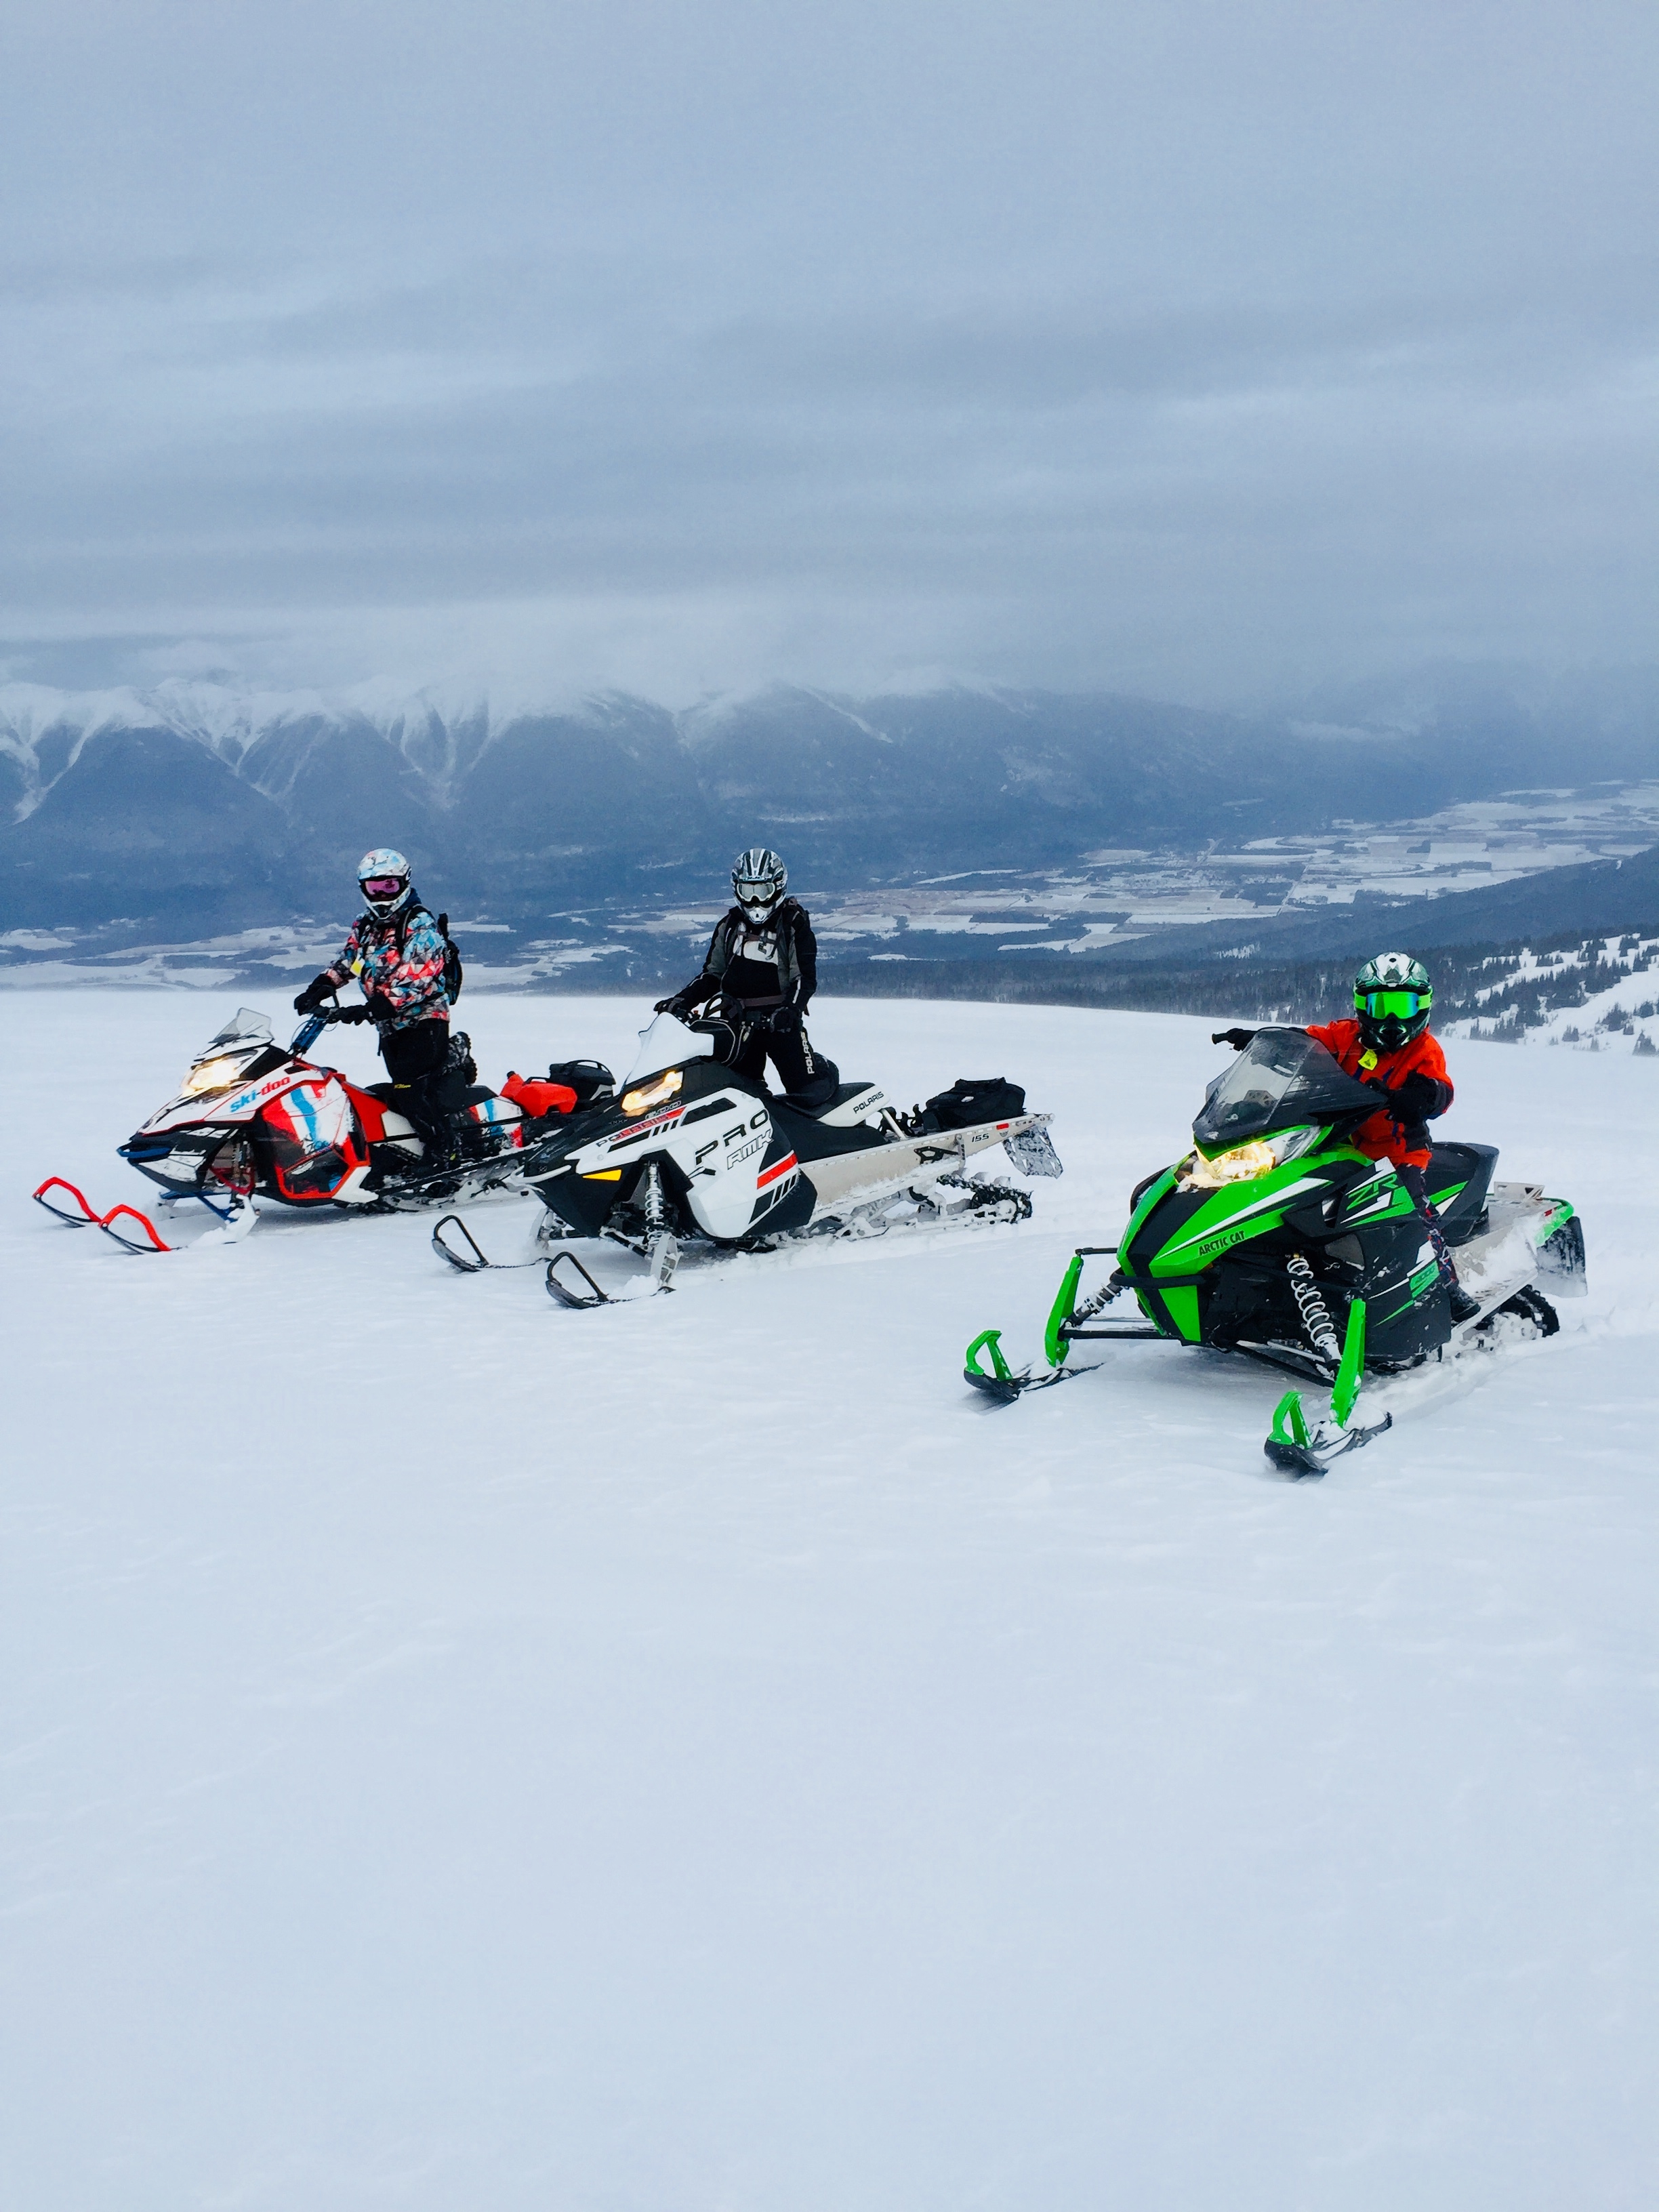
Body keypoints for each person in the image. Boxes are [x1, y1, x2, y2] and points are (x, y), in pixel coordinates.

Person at [1217, 952, 1480, 1323]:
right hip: (1334, 1142)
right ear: (1363, 1005)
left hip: (1396, 1152)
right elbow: (1303, 1042)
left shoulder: (1424, 1051)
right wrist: (1260, 1040)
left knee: (1412, 1212)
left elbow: (1440, 1088)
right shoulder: (1344, 1036)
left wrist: (1423, 1096)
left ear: (1421, 1007)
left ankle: (1446, 1284)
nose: (1392, 1017)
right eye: (1381, 1004)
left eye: (1403, 1005)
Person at [293, 848, 468, 1165]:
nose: (382, 895)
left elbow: (415, 979)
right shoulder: (365, 925)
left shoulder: (420, 925)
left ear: (404, 884)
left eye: (389, 886)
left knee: (410, 1090)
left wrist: (371, 1008)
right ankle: (404, 1149)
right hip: (389, 1025)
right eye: (375, 888)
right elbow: (352, 962)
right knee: (393, 1092)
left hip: (424, 1020)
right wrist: (321, 986)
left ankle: (446, 1153)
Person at [653, 846, 834, 1103]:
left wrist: (790, 1011)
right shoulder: (729, 926)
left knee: (810, 1091)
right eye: (748, 892)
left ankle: (831, 1122)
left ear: (778, 887)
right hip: (735, 1026)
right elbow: (713, 974)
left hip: (779, 1023)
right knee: (735, 1095)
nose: (755, 902)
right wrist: (682, 1000)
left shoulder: (793, 923)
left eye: (762, 892)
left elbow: (803, 977)